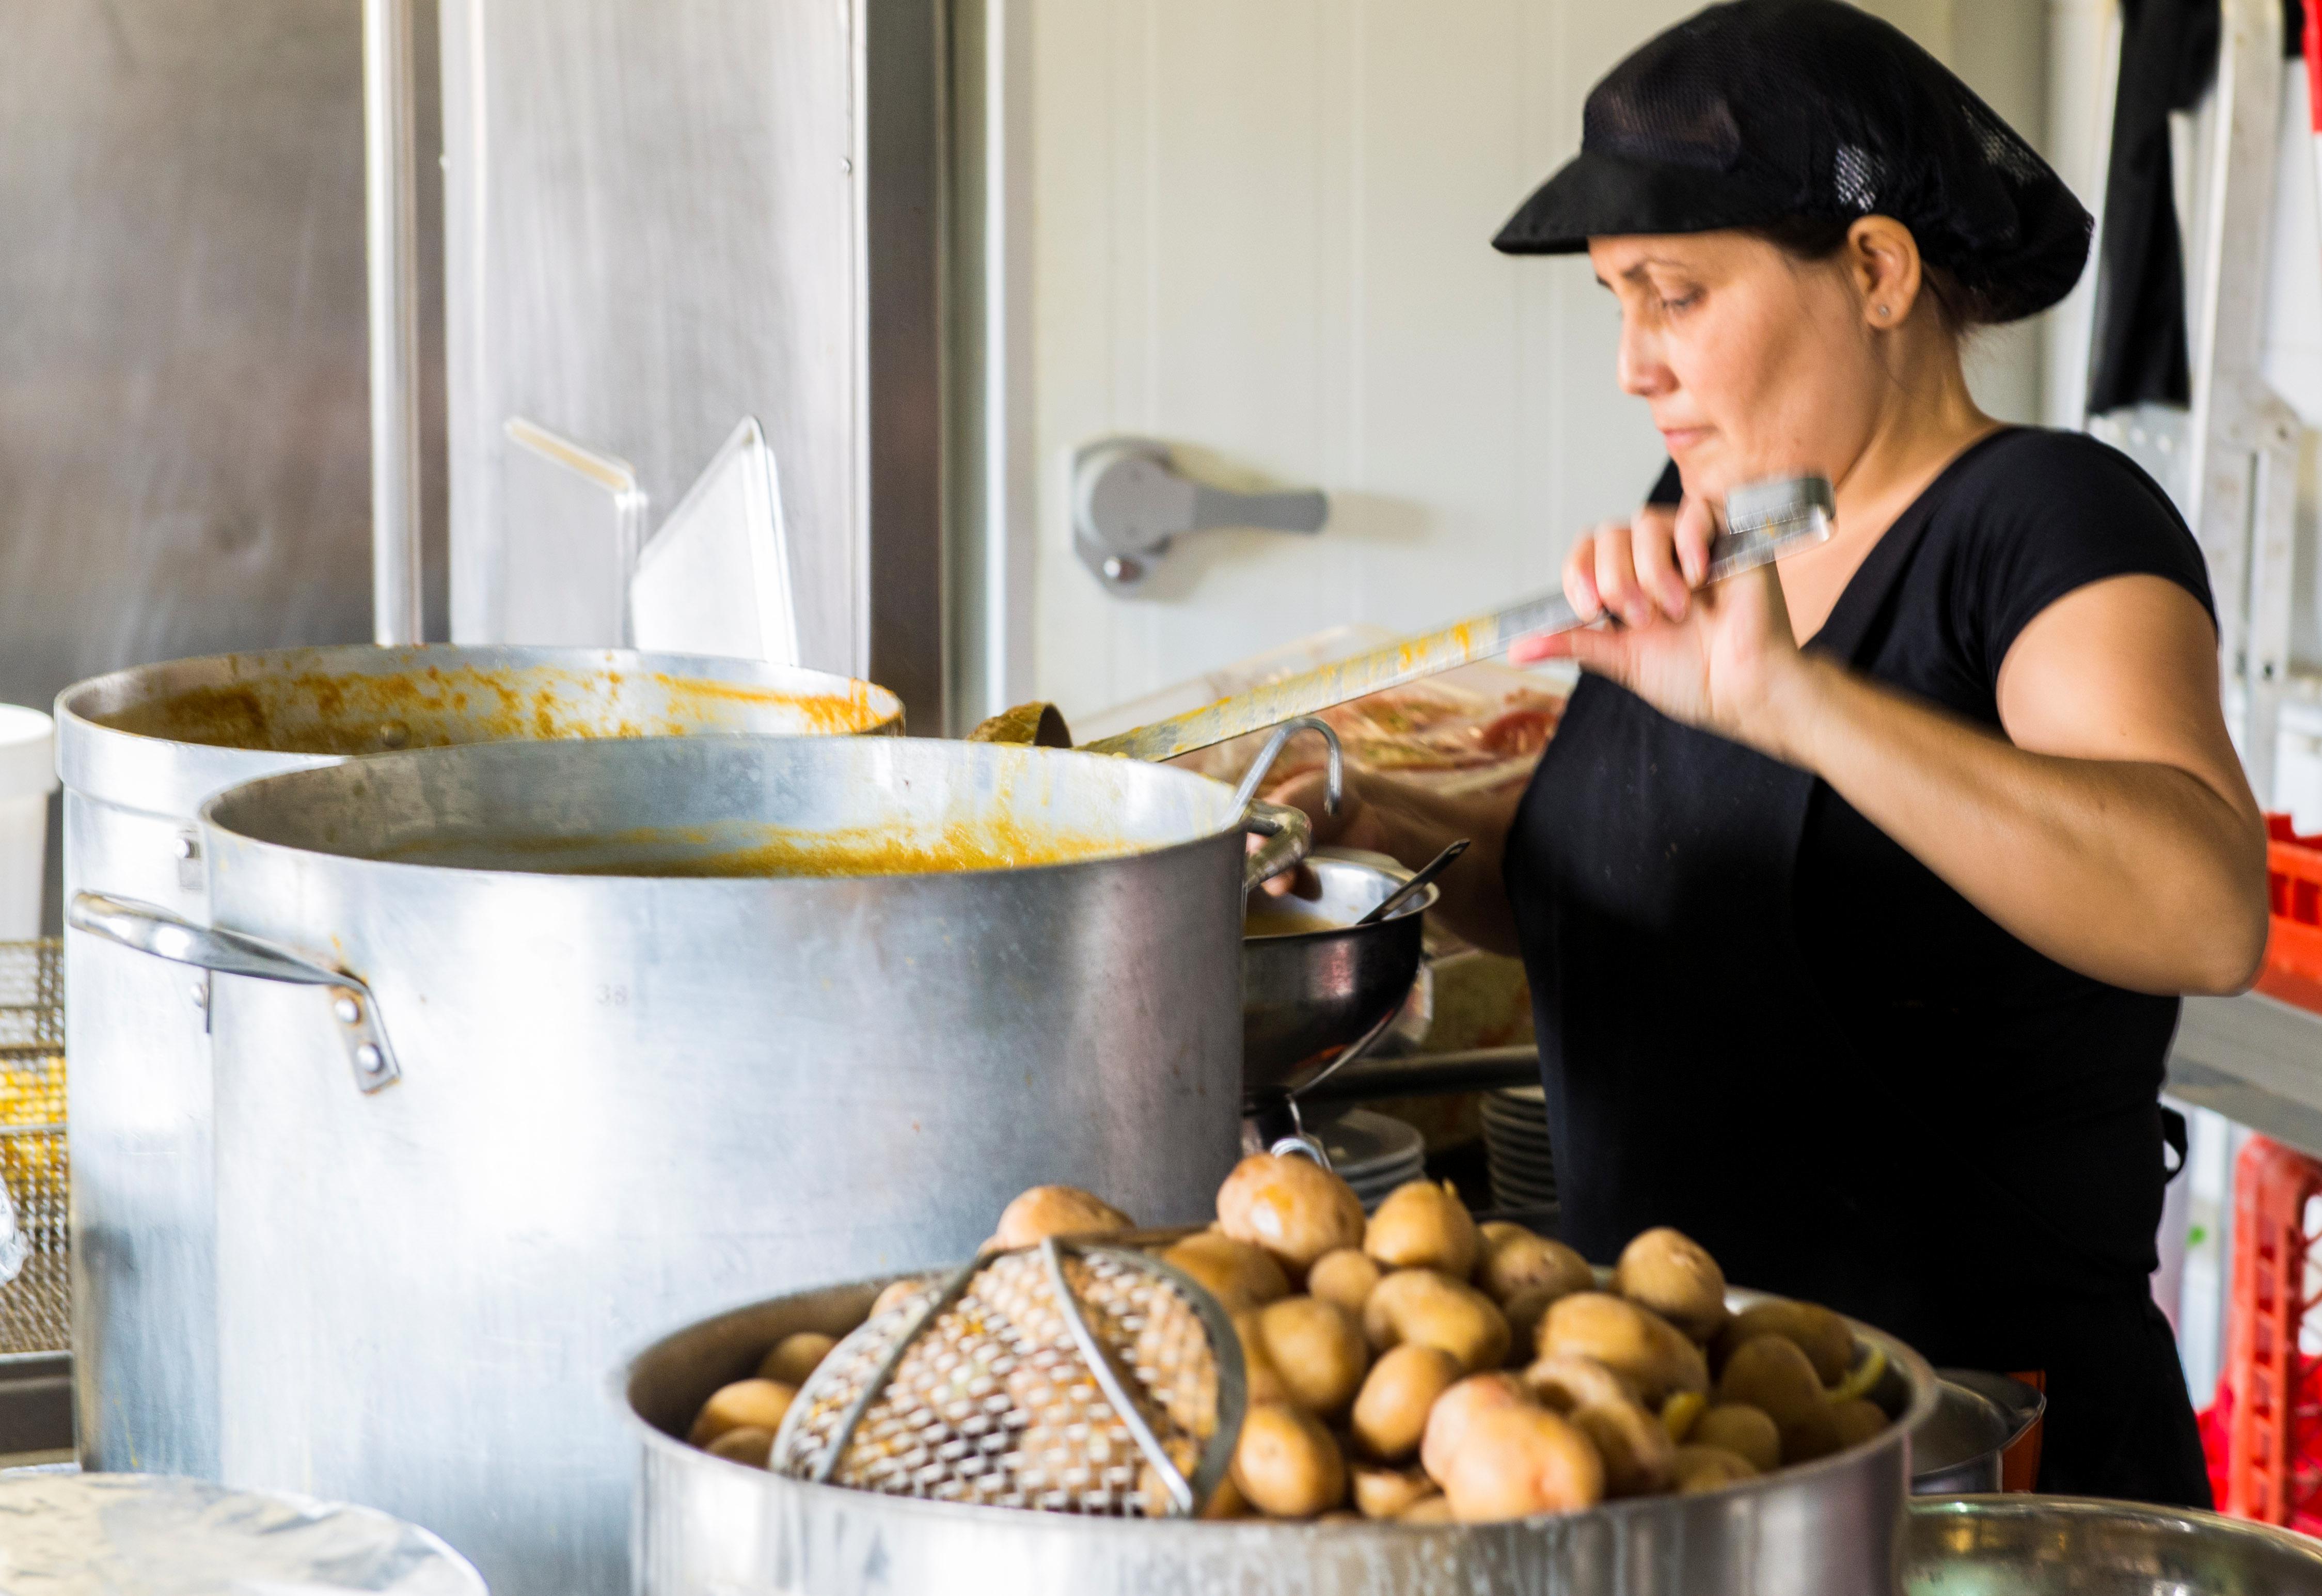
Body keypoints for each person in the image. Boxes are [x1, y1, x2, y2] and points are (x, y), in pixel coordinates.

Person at [1266, 0, 2265, 1505]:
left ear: (1873, 270)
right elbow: (1619, 883)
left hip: (1967, 1468)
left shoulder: (2049, 520)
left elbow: (2203, 903)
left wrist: (1793, 705)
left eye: (1670, 294)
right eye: (1613, 301)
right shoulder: (1721, 545)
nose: (1631, 364)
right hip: (1684, 1422)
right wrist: (1336, 815)